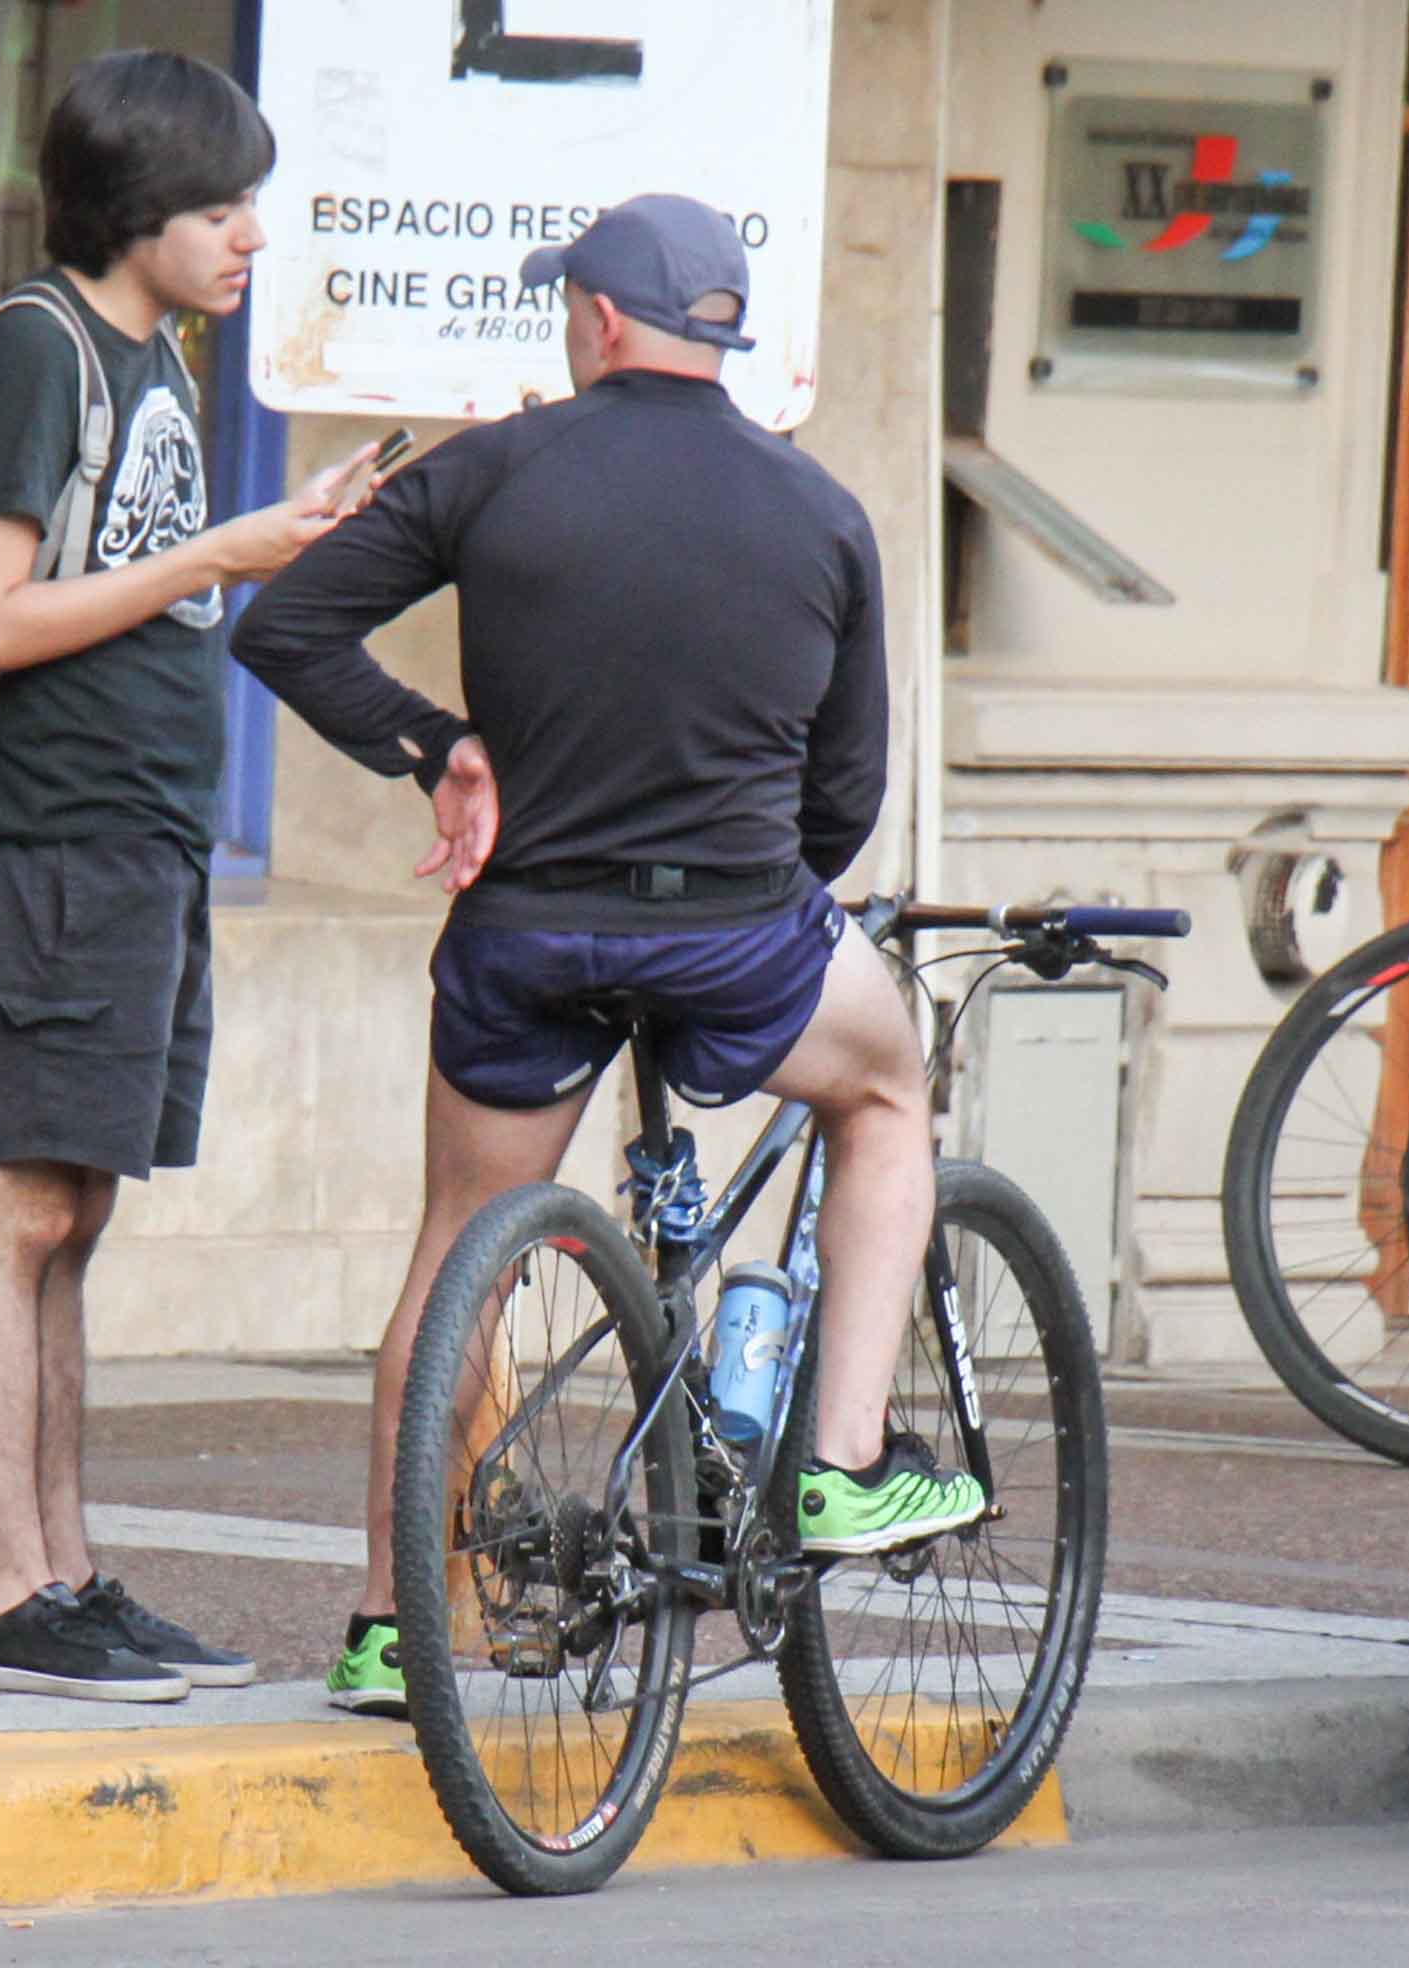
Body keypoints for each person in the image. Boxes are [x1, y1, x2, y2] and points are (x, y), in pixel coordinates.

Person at [229, 194, 984, 1719]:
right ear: (720, 333)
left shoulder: (496, 468)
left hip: (521, 932)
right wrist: (753, 893)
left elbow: (285, 628)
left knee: (459, 1246)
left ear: (592, 320)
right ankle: (839, 1464)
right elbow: (844, 799)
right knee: (888, 1090)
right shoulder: (820, 510)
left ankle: (390, 1623)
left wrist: (436, 745)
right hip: (733, 935)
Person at [0, 49, 376, 1702]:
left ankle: (68, 1577)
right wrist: (218, 554)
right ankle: (1, 1596)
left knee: (73, 1208)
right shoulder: (39, 350)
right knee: (10, 1195)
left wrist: (266, 537)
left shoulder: (156, 357)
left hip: (140, 839)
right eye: (218, 206)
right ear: (133, 214)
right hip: (55, 832)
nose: (251, 234)